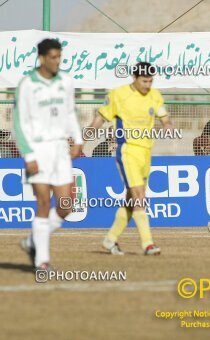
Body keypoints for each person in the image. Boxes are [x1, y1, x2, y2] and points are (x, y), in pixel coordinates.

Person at [88, 61, 174, 255]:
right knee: (139, 197)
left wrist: (168, 126)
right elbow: (101, 118)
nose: (147, 85)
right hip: (127, 150)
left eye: (150, 81)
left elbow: (164, 117)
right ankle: (148, 244)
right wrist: (82, 140)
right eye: (144, 81)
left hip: (146, 152)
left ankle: (110, 240)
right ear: (134, 78)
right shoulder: (118, 94)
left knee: (131, 199)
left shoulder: (155, 95)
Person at [16, 39, 83, 272]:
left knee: (66, 205)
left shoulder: (66, 81)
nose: (57, 61)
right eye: (53, 57)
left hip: (60, 149)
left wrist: (78, 140)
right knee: (43, 203)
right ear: (42, 58)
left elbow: (70, 112)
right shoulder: (27, 85)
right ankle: (42, 261)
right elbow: (20, 122)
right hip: (38, 150)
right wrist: (29, 154)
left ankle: (32, 240)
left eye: (59, 57)